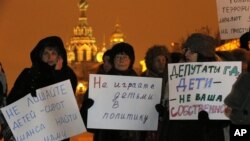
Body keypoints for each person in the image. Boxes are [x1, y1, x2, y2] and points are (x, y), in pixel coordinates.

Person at [6, 36, 77, 141]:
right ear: (40, 56)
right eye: (46, 54)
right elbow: (13, 100)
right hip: (32, 131)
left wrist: (58, 74)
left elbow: (67, 99)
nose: (50, 57)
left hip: (57, 133)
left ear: (59, 56)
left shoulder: (67, 75)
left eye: (53, 53)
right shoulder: (28, 75)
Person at [165, 33, 227, 141]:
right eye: (186, 50)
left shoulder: (222, 77)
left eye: (192, 51)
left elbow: (228, 115)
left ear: (203, 54)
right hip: (182, 133)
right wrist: (165, 111)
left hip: (209, 135)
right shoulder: (177, 75)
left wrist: (213, 120)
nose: (187, 54)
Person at [81, 42, 139, 141]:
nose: (121, 60)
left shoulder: (141, 85)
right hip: (106, 136)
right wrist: (87, 109)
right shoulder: (100, 84)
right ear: (113, 60)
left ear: (131, 60)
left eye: (125, 57)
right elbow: (87, 122)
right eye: (118, 57)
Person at [141, 45, 170, 141]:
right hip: (146, 125)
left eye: (163, 60)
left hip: (166, 126)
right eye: (157, 60)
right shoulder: (143, 79)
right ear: (151, 62)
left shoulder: (171, 79)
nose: (161, 63)